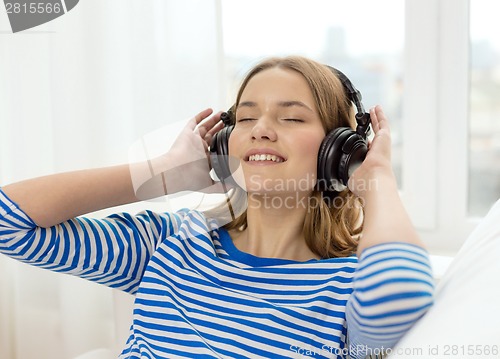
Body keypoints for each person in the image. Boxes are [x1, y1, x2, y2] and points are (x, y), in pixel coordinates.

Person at [0, 56, 434, 359]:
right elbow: (8, 222)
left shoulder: (345, 285)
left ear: (337, 153)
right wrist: (164, 174)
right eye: (245, 118)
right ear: (225, 144)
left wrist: (374, 178)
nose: (261, 129)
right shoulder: (169, 242)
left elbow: (401, 296)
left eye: (292, 117)